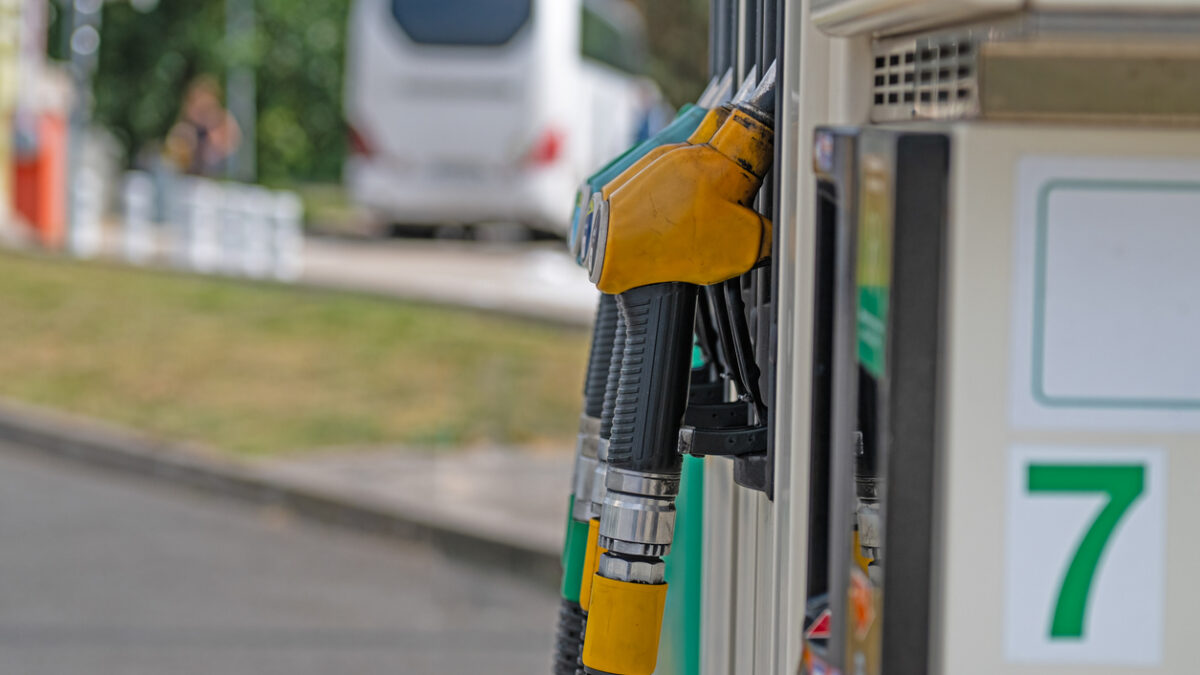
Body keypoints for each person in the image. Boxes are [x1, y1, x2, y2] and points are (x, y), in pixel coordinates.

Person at [164, 75, 241, 177]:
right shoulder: (187, 126)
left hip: (217, 171)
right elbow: (174, 149)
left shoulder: (224, 121)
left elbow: (229, 148)